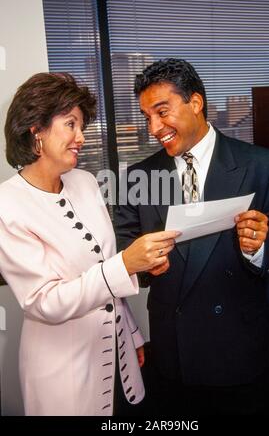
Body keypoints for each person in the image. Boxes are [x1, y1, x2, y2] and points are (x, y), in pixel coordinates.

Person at [115, 58, 269, 416]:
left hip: (240, 351)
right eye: (146, 116)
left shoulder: (263, 164)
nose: (153, 127)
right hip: (173, 354)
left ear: (195, 103)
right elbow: (123, 249)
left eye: (162, 111)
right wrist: (142, 262)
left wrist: (262, 246)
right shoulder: (138, 176)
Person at [0, 72, 178, 416]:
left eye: (81, 126)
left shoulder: (83, 182)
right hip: (63, 371)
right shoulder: (7, 205)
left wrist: (132, 334)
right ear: (36, 129)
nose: (81, 138)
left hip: (119, 350)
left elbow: (103, 268)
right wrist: (127, 263)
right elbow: (44, 302)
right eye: (71, 124)